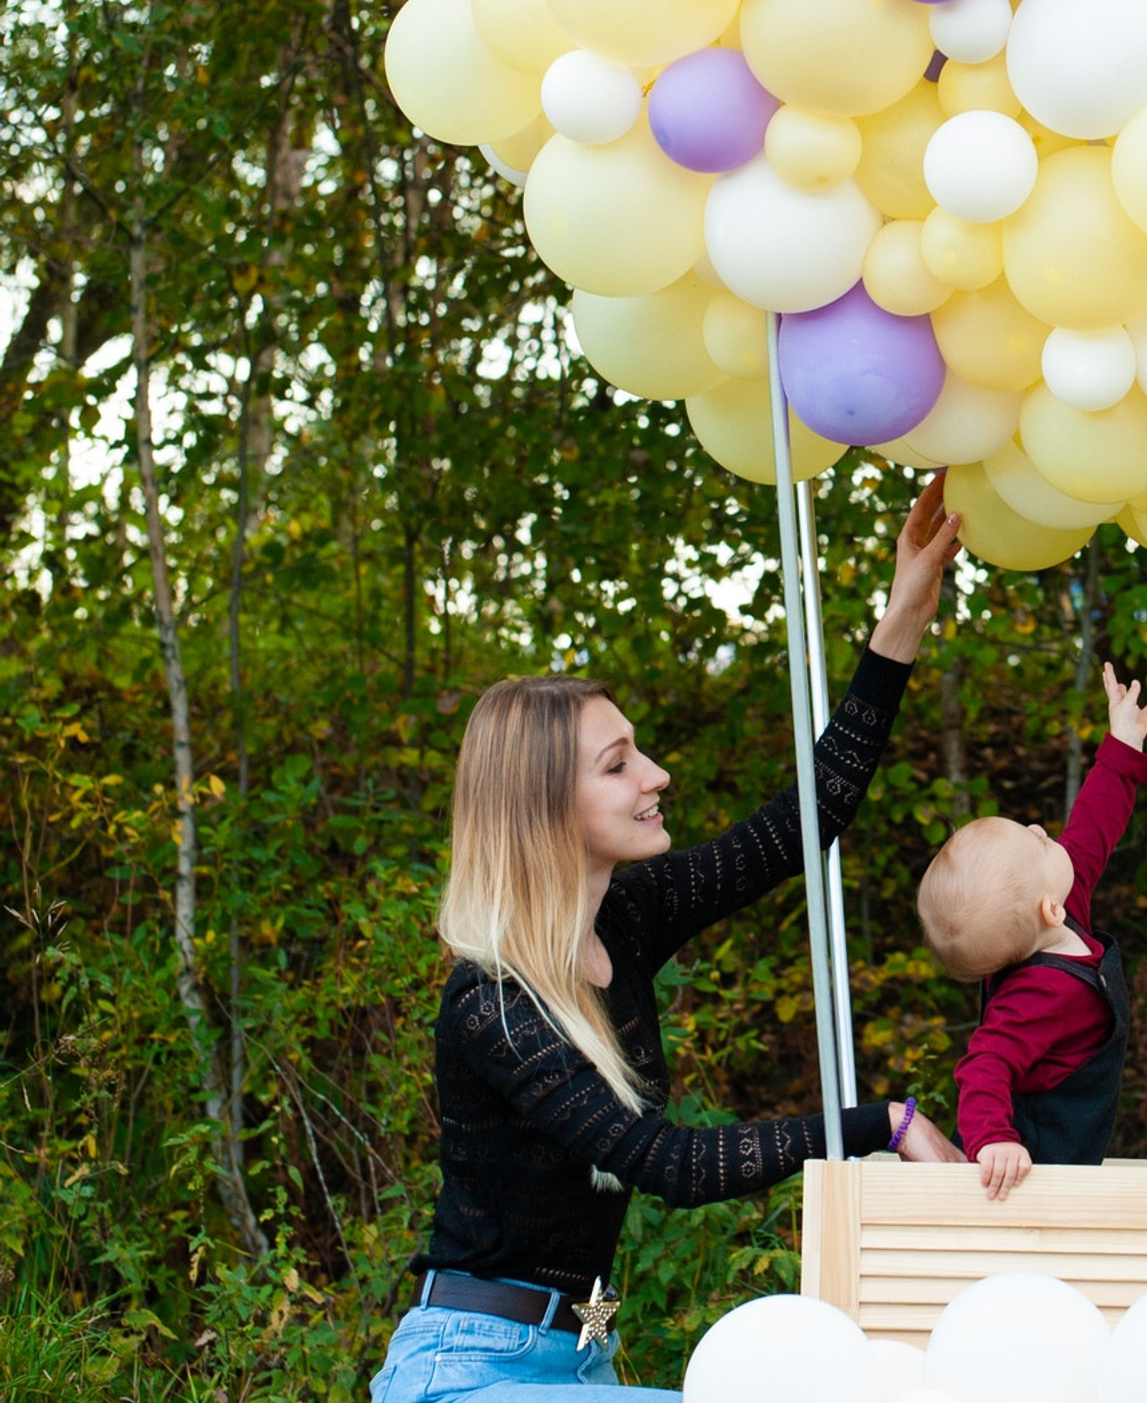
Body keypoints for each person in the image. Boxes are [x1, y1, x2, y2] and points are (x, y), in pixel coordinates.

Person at [371, 477, 967, 1402]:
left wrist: (902, 623)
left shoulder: (628, 915)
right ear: (542, 808)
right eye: (618, 765)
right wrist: (881, 1124)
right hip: (468, 1369)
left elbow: (807, 820)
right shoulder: (495, 1004)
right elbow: (673, 1166)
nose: (657, 773)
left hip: (581, 1352)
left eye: (638, 749)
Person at [916, 662, 1147, 1201]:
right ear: (1048, 909)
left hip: (1070, 1162)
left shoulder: (1059, 911)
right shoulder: (1034, 993)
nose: (1042, 830)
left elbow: (1093, 826)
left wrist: (1122, 744)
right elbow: (985, 1064)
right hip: (1019, 1175)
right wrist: (993, 1140)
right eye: (1039, 843)